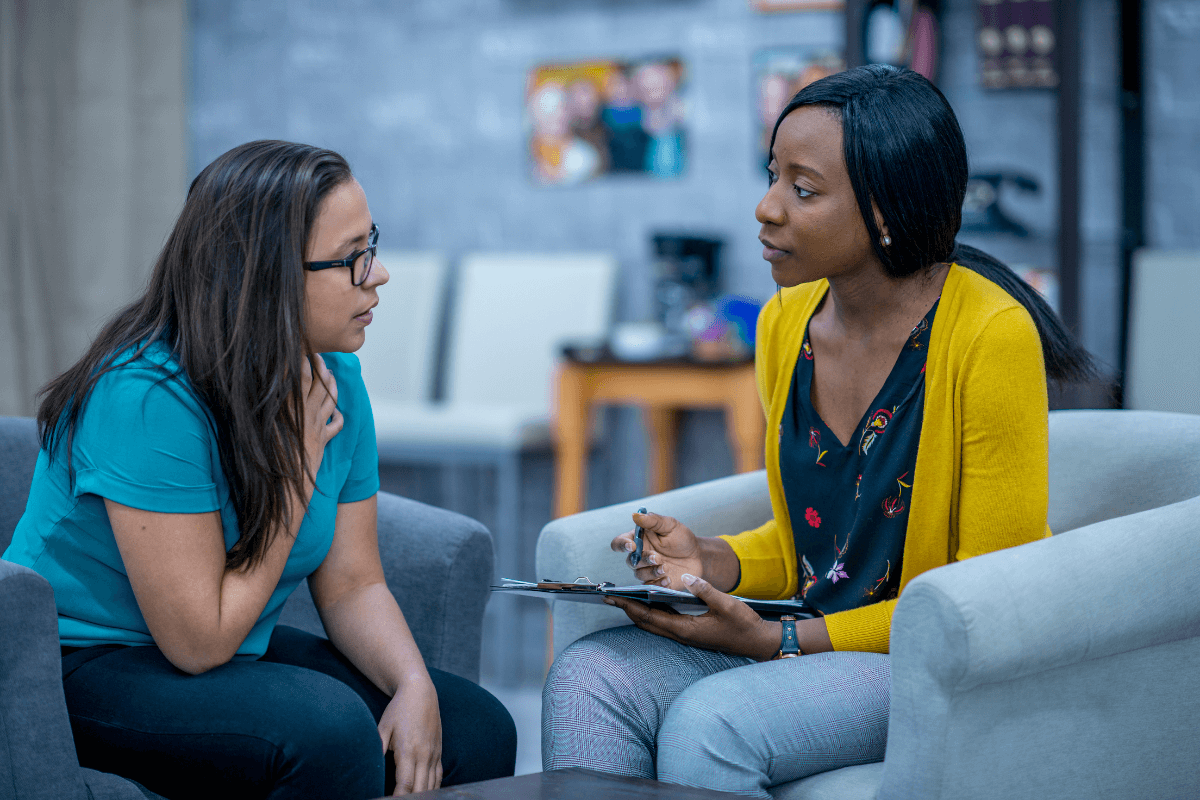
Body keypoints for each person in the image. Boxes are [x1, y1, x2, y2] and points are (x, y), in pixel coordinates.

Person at [542, 65, 1094, 798]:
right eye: (773, 177)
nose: (767, 209)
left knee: (713, 722)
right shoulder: (785, 323)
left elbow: (983, 603)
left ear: (887, 211)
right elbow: (815, 543)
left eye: (803, 190)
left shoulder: (990, 335)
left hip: (920, 661)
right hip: (811, 633)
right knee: (590, 677)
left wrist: (782, 641)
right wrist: (710, 562)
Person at [3, 140, 516, 799]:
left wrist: (413, 684)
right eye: (352, 257)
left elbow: (355, 584)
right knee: (327, 732)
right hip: (83, 663)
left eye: (373, 243)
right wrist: (297, 467)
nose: (379, 274)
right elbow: (197, 643)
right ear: (263, 274)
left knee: (476, 726)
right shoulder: (144, 400)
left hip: (228, 644)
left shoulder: (334, 375)